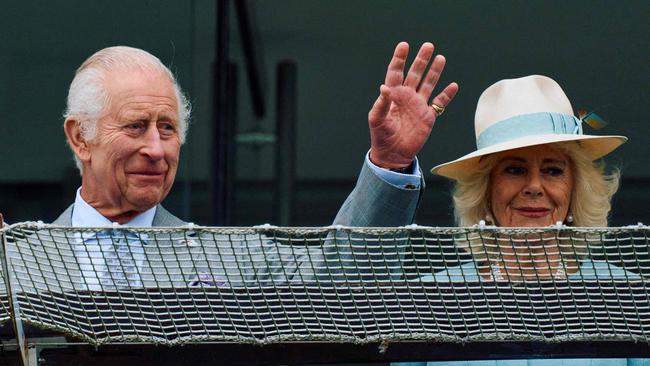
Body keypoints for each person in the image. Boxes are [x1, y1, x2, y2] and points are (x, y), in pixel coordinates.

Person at [11, 43, 457, 292]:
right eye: (135, 126)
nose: (156, 148)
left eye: (167, 128)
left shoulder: (229, 259)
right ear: (79, 137)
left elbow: (342, 284)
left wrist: (390, 162)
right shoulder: (11, 261)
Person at [337, 55, 645, 363]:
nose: (534, 186)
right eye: (514, 170)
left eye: (553, 170)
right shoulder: (429, 299)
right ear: (485, 191)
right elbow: (342, 314)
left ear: (576, 189)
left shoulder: (630, 295)